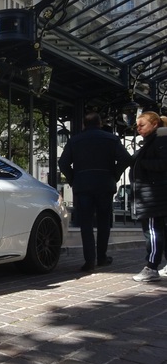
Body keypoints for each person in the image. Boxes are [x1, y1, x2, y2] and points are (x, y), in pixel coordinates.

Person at [59, 112, 132, 272]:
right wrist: (114, 174)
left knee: (85, 224)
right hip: (105, 184)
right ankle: (102, 257)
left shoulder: (75, 140)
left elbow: (63, 163)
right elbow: (126, 159)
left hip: (83, 186)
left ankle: (89, 261)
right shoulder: (111, 139)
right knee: (104, 222)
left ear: (84, 125)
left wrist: (74, 179)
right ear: (100, 123)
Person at [129, 111, 167, 282]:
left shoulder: (158, 141)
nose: (138, 128)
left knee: (152, 232)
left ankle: (151, 267)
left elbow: (164, 163)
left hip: (152, 196)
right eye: (137, 125)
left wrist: (142, 164)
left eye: (142, 125)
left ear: (154, 124)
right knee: (159, 231)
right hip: (153, 195)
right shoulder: (153, 141)